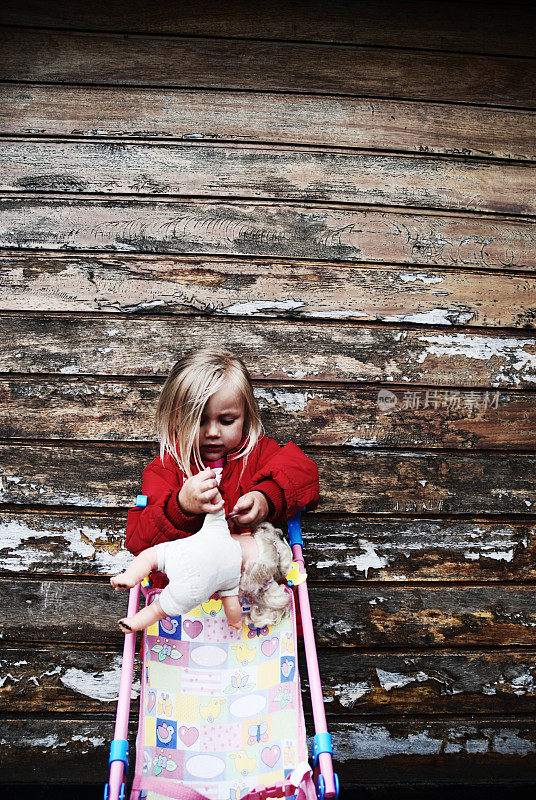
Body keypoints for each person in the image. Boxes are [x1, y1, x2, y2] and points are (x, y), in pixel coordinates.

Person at [125, 346, 319, 591]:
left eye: (227, 421)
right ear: (175, 419)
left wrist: (266, 497)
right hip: (185, 602)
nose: (213, 433)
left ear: (246, 416)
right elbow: (138, 542)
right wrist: (180, 508)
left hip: (253, 598)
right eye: (199, 421)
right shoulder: (165, 469)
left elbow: (305, 473)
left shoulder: (256, 453)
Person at [111, 506, 293, 634]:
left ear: (247, 533)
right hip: (190, 591)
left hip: (179, 555)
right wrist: (235, 621)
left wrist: (212, 493)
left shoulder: (219, 529)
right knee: (158, 610)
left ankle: (130, 576)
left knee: (149, 557)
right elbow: (232, 608)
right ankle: (134, 623)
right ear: (247, 580)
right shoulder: (232, 581)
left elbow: (216, 506)